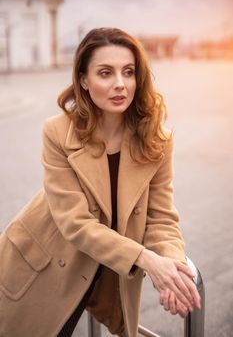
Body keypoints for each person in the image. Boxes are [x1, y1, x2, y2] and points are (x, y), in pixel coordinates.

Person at [0, 27, 200, 337]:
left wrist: (172, 266)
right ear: (83, 79)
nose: (120, 84)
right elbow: (76, 224)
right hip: (45, 267)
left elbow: (161, 216)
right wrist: (147, 259)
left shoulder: (156, 140)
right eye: (105, 73)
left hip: (106, 270)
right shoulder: (57, 132)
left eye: (129, 72)